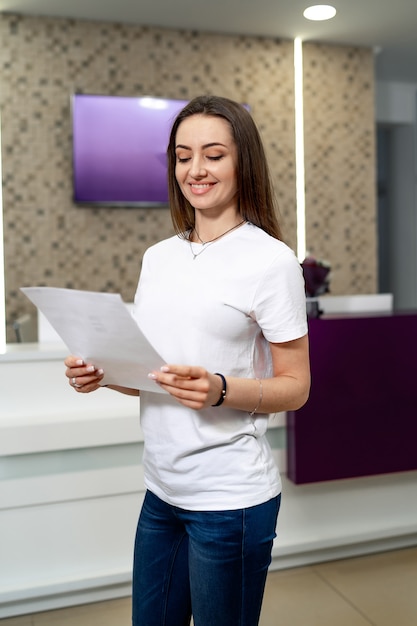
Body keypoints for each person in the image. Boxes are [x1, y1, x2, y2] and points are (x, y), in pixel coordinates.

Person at [65, 95, 310, 626]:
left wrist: (222, 388)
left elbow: (296, 386)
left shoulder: (271, 261)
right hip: (161, 493)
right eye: (183, 155)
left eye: (213, 154)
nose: (195, 169)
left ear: (243, 161)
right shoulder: (159, 257)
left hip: (231, 502)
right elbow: (155, 377)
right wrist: (105, 376)